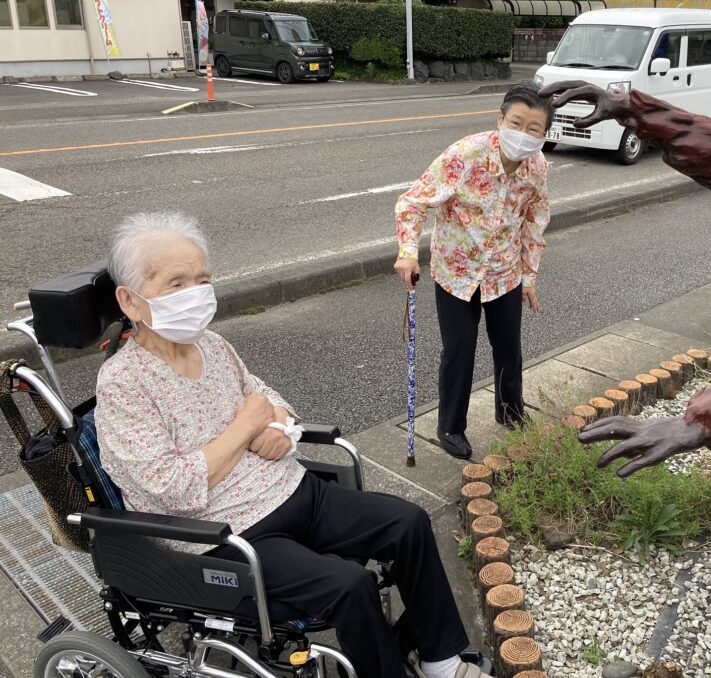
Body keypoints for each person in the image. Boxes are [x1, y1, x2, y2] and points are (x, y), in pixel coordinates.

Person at [95, 211, 479, 678]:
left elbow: (268, 398)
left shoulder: (211, 345)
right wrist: (244, 428)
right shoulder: (123, 384)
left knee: (409, 523)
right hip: (227, 534)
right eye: (177, 284)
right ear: (130, 301)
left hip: (294, 491)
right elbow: (165, 486)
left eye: (203, 280)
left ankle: (440, 660)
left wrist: (278, 425)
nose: (195, 294)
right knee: (351, 585)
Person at [394, 83, 553, 459]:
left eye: (534, 129)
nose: (523, 134)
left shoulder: (537, 167)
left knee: (509, 348)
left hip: (504, 273)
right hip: (457, 271)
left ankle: (510, 412)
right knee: (460, 350)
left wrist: (529, 278)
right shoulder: (465, 155)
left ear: (544, 134)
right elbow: (413, 202)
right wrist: (408, 252)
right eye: (516, 122)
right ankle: (450, 426)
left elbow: (534, 222)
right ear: (500, 119)